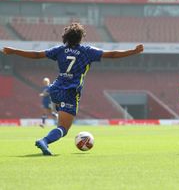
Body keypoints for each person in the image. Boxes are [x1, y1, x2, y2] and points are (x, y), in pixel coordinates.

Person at [1, 23, 144, 155]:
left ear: (65, 37)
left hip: (55, 89)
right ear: (81, 38)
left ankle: (55, 120)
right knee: (64, 128)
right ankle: (44, 141)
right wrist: (133, 51)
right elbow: (111, 54)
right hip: (70, 91)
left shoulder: (59, 50)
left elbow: (37, 55)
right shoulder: (87, 51)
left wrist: (14, 51)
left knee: (60, 117)